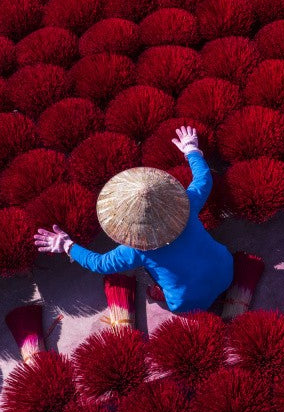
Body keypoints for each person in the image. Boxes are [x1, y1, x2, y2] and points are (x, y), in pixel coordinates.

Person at [34, 126, 235, 313]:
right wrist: (191, 150)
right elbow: (203, 180)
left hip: (188, 303)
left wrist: (67, 245)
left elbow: (100, 264)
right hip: (227, 271)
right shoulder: (189, 205)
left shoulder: (134, 251)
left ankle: (161, 294)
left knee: (158, 279)